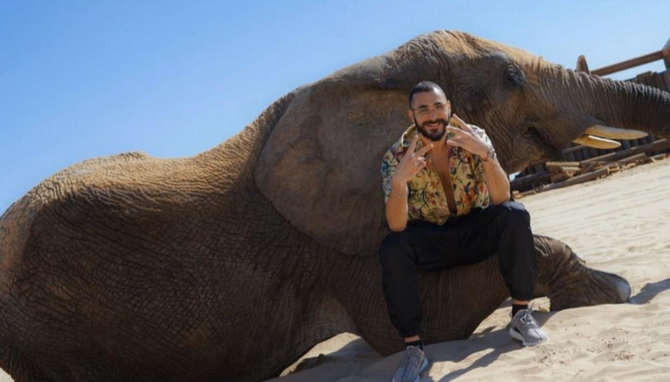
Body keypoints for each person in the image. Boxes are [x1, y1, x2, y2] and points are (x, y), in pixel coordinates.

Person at [379, 81, 549, 382]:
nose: (432, 115)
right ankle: (413, 349)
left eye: (437, 107)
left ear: (449, 108)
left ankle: (521, 314)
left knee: (514, 214)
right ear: (412, 116)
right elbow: (397, 226)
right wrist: (399, 184)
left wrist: (487, 156)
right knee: (393, 246)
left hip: (474, 226)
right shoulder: (396, 157)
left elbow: (500, 198)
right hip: (430, 237)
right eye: (423, 109)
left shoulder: (475, 138)